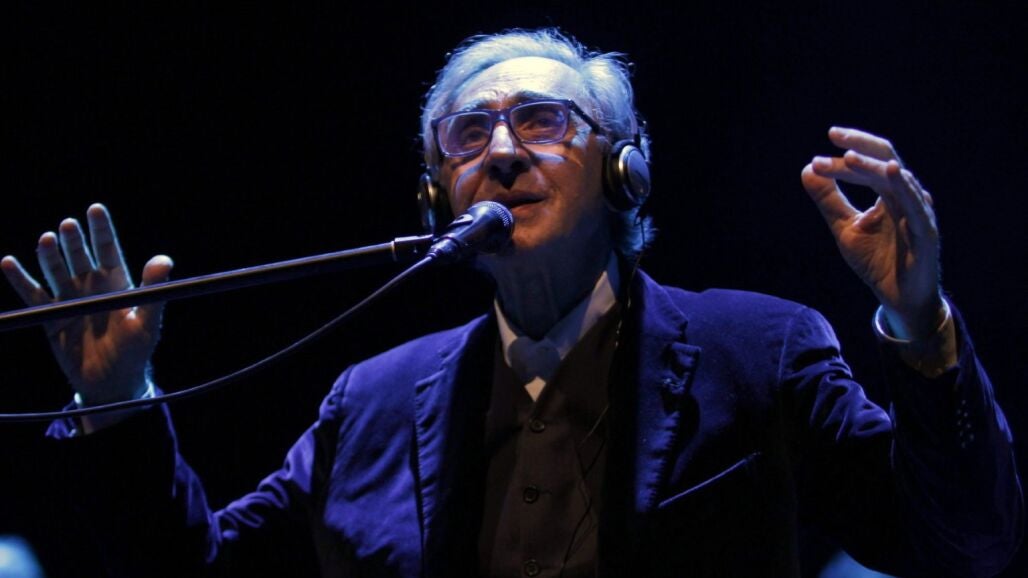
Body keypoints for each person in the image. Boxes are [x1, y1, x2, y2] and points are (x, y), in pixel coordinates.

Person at [1, 28, 1021, 577]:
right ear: (434, 195)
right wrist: (119, 402)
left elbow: (964, 545)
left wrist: (921, 326)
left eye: (541, 121)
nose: (498, 152)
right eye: (466, 134)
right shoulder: (370, 400)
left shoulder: (757, 349)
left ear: (623, 172)